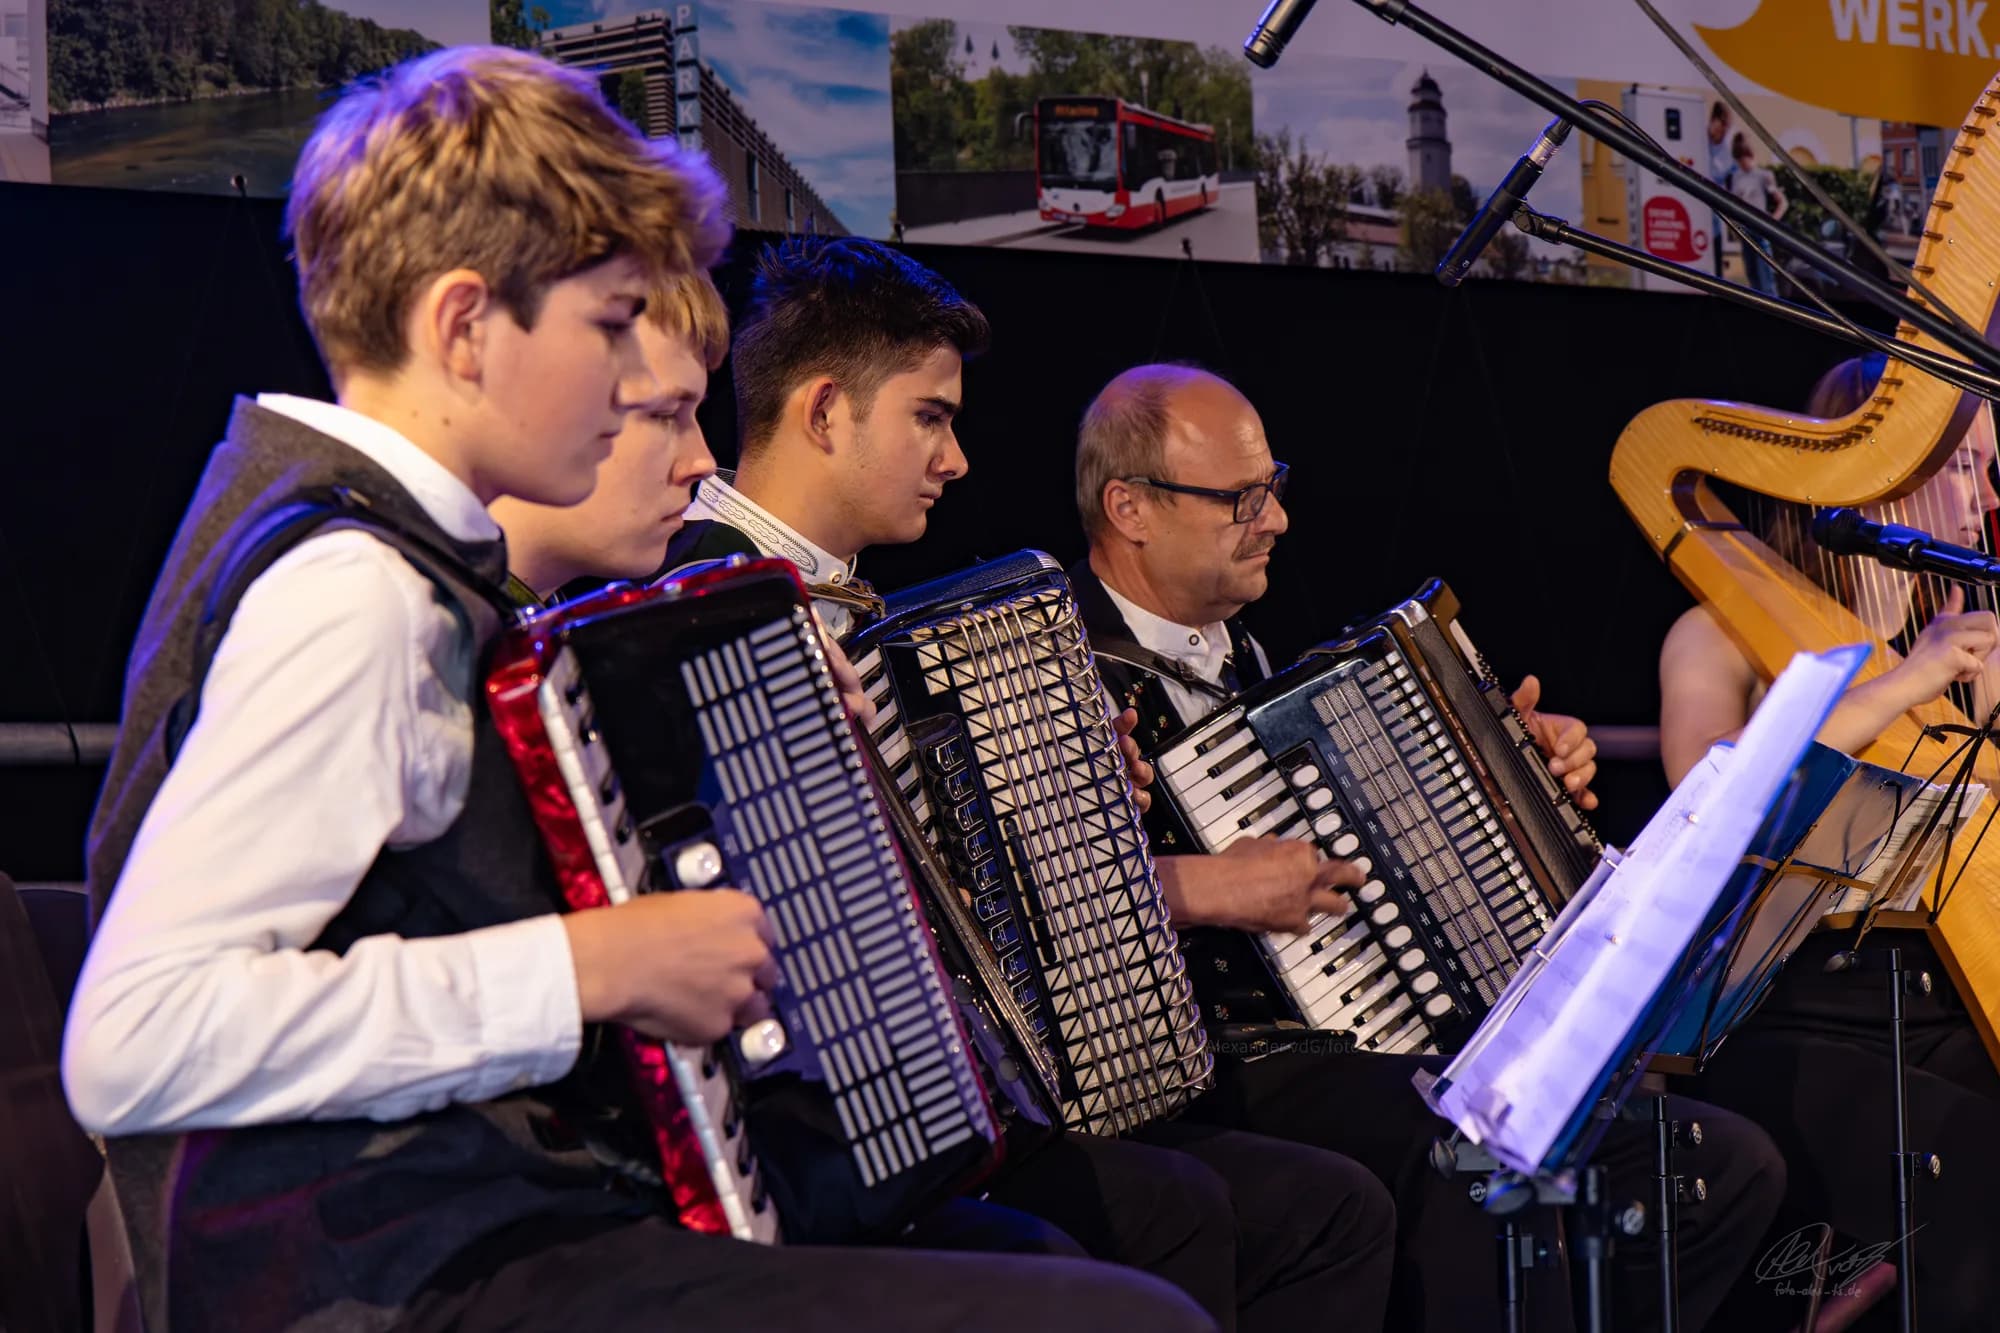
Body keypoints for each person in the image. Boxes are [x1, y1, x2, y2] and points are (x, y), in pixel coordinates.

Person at [58, 49, 1218, 1333]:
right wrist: (588, 967)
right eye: (607, 325)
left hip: (449, 1238)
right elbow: (139, 1033)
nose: (628, 388)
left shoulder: (395, 552)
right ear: (462, 327)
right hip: (389, 1280)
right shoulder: (357, 586)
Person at [658, 234, 1398, 1333]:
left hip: (956, 1097)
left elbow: (947, 881)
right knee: (1187, 1208)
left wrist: (1072, 798)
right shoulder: (702, 597)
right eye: (930, 416)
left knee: (1312, 1204)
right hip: (807, 1126)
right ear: (823, 414)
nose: (956, 458)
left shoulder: (853, 613)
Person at [1071, 362, 1790, 1333]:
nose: (1275, 519)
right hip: (1204, 1068)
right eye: (1240, 498)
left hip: (1358, 1048)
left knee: (1719, 1164)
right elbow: (1037, 922)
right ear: (1129, 508)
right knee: (1475, 1155)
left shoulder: (1250, 663)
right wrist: (1197, 886)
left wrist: (1516, 774)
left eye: (1271, 488)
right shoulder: (1059, 674)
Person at [1659, 354, 2000, 1331]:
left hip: (1941, 995)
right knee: (1973, 1161)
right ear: (1884, 482)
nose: (1985, 496)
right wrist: (1901, 683)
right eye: (1966, 468)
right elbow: (1702, 795)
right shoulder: (1714, 633)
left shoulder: (1961, 646)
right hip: (1791, 1007)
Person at [1726, 132, 1788, 297]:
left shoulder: (1763, 176)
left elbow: (1782, 202)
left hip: (1760, 232)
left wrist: (1772, 222)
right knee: (1753, 278)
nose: (1742, 163)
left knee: (1765, 280)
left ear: (1750, 155)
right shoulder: (1736, 177)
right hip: (1745, 231)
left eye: (1744, 159)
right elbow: (1734, 203)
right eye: (1739, 160)